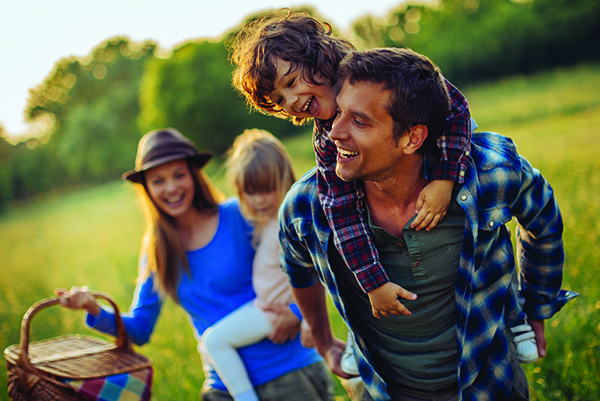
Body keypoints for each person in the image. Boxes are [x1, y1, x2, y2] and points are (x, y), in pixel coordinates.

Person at [229, 10, 539, 368]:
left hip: (444, 161)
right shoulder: (326, 141)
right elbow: (342, 214)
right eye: (280, 100)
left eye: (292, 81)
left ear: (319, 57)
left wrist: (445, 179)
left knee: (479, 237)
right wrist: (373, 282)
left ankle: (513, 317)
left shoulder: (383, 74)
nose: (292, 100)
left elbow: (455, 108)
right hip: (391, 205)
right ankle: (362, 345)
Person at [278, 48, 578, 400]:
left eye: (359, 121)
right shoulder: (307, 204)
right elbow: (298, 269)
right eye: (338, 113)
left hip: (491, 384)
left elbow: (543, 220)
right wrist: (324, 339)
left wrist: (536, 306)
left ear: (412, 138)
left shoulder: (489, 171)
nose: (334, 133)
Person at [54, 128, 334, 401]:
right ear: (147, 190)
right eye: (158, 180)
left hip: (288, 376)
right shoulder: (157, 251)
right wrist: (93, 308)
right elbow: (140, 328)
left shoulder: (240, 214)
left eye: (179, 175)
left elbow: (307, 265)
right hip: (223, 388)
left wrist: (298, 313)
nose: (171, 187)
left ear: (194, 176)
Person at [198, 128, 314, 401]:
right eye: (250, 192)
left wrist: (307, 319)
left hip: (274, 309)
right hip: (266, 305)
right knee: (212, 342)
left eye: (267, 189)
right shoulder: (266, 221)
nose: (259, 199)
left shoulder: (288, 225)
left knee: (214, 341)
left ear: (284, 180)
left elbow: (317, 270)